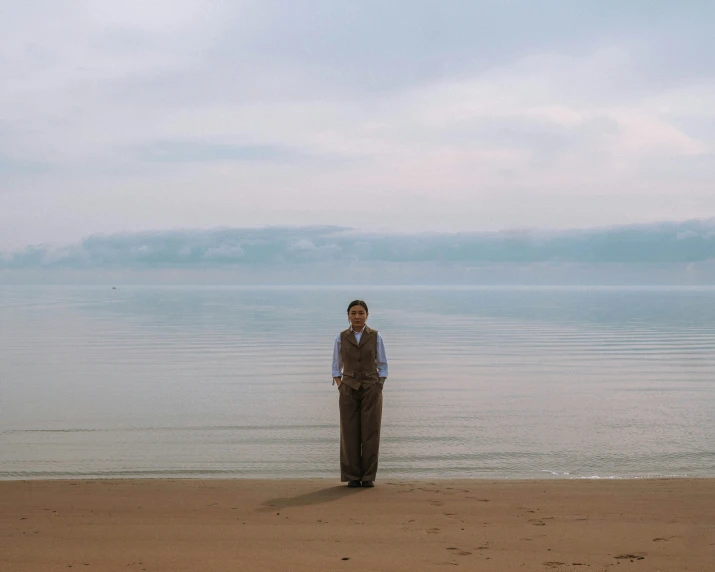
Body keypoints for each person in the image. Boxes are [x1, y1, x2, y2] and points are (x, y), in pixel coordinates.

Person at [332, 300, 388, 488]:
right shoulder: (341, 337)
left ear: (367, 315)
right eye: (353, 313)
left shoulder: (375, 336)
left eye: (361, 313)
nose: (357, 316)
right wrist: (340, 385)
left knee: (371, 431)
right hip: (348, 388)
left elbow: (383, 364)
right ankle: (352, 476)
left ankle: (368, 476)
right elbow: (336, 366)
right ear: (348, 315)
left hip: (371, 387)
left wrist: (379, 384)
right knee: (349, 432)